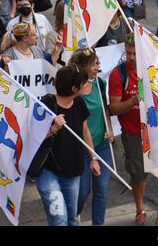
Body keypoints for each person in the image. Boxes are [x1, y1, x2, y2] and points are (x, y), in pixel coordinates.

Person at [36, 65, 101, 226]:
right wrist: (53, 129)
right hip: (48, 171)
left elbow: (85, 131)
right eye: (83, 84)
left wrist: (93, 158)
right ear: (73, 88)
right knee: (59, 220)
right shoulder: (46, 103)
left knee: (72, 219)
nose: (87, 85)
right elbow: (32, 138)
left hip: (72, 171)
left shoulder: (79, 102)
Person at [68, 49, 115, 226]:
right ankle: (73, 215)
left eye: (98, 63)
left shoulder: (100, 84)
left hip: (102, 145)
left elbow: (106, 110)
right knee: (83, 191)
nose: (98, 67)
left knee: (101, 190)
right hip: (82, 148)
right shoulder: (75, 89)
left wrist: (110, 130)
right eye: (94, 63)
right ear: (84, 66)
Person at [108, 34, 146, 225]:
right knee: (138, 175)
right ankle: (140, 209)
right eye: (128, 53)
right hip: (132, 133)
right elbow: (113, 108)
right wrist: (132, 102)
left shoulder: (153, 69)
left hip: (155, 131)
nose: (131, 57)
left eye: (135, 53)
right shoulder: (118, 74)